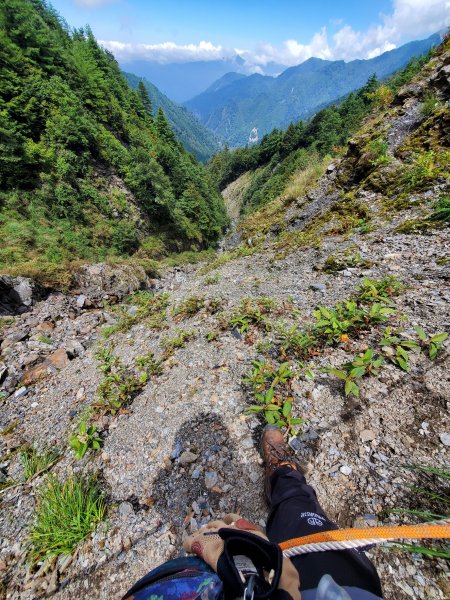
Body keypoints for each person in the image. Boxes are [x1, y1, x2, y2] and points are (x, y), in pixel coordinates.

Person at [122, 425, 383, 599]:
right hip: (348, 588)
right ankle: (283, 473)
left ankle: (282, 475)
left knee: (295, 519)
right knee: (301, 512)